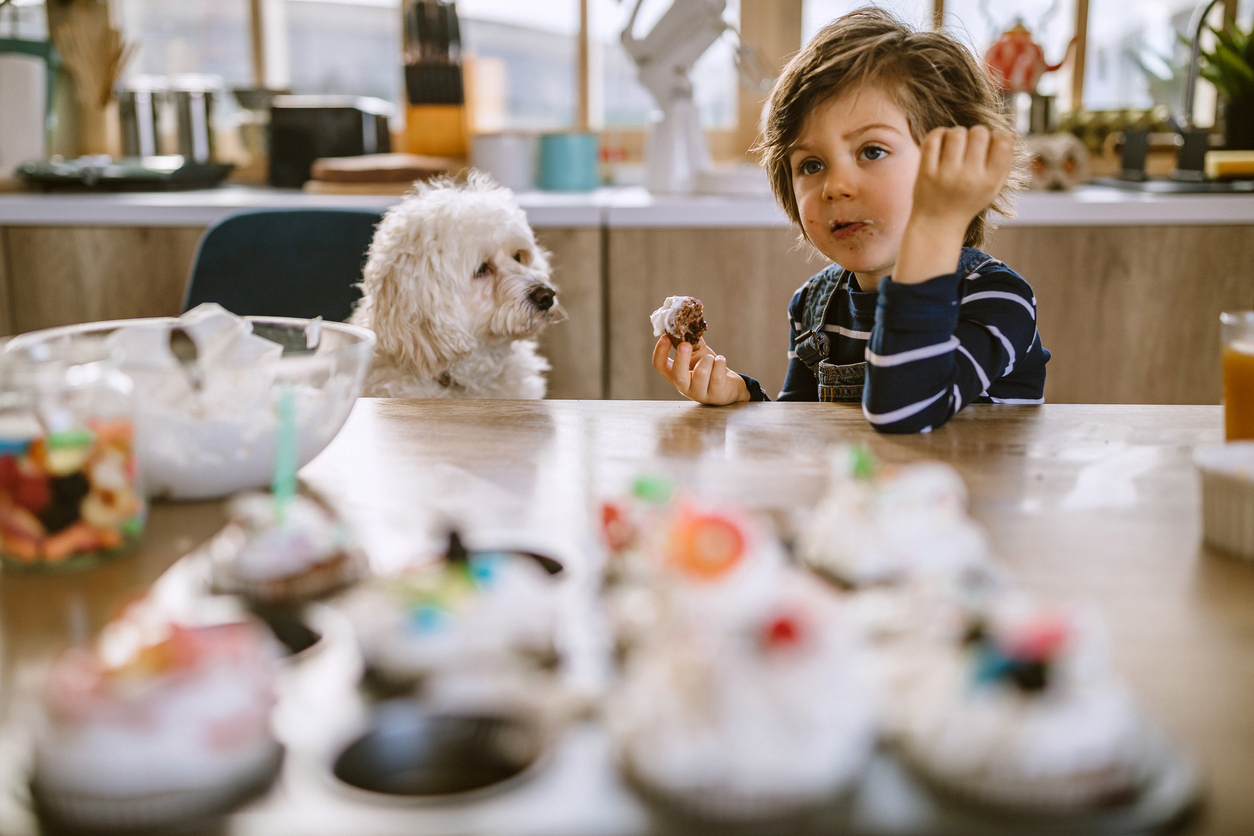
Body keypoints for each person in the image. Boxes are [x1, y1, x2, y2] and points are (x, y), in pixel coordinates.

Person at [651, 8, 1050, 433]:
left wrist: (935, 225)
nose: (836, 186)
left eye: (872, 151)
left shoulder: (996, 299)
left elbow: (903, 411)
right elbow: (804, 433)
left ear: (951, 160)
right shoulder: (814, 305)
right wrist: (741, 397)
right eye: (811, 165)